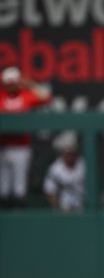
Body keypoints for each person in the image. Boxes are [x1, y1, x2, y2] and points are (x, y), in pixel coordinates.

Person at [0, 67, 53, 209]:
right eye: (8, 83)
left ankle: (18, 211)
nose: (11, 86)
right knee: (3, 187)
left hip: (21, 146)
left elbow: (46, 97)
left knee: (19, 187)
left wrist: (31, 84)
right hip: (3, 146)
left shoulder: (25, 95)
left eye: (14, 82)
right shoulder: (1, 96)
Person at [43, 131, 85, 212]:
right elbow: (49, 191)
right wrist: (59, 208)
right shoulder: (55, 168)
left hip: (82, 207)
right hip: (63, 207)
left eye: (72, 153)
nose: (70, 156)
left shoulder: (83, 165)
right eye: (67, 154)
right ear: (63, 154)